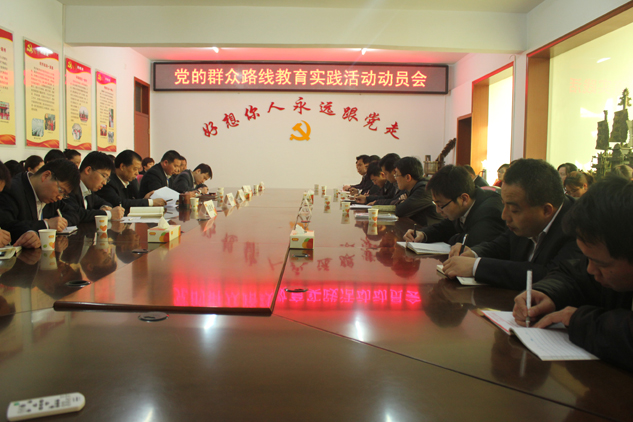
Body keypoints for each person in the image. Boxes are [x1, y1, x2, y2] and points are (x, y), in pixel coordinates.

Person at [512, 177, 633, 372]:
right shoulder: (601, 252)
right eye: (588, 259)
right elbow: (573, 275)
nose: (590, 269)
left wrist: (579, 320)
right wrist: (548, 293)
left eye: (601, 264)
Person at [441, 159, 582, 289]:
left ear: (546, 210)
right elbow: (501, 246)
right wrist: (473, 253)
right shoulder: (521, 220)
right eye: (504, 205)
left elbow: (551, 276)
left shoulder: (578, 227)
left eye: (514, 210)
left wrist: (476, 267)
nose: (504, 216)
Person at [403, 165, 505, 247]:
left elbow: (471, 243)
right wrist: (423, 234)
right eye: (435, 204)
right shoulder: (462, 206)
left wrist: (453, 237)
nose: (438, 210)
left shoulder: (490, 211)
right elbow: (445, 227)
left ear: (464, 199)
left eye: (441, 205)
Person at [0, 158, 79, 247]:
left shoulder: (51, 197)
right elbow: (6, 227)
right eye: (61, 191)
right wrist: (46, 225)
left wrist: (60, 223)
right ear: (46, 176)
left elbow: (74, 213)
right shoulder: (12, 189)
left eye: (64, 195)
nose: (60, 197)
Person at [95, 150, 167, 209]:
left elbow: (133, 201)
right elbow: (119, 203)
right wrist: (150, 202)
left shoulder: (132, 181)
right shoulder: (108, 182)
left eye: (138, 170)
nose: (137, 173)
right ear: (122, 167)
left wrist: (144, 199)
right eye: (135, 169)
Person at [65, 151, 124, 222]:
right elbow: (76, 213)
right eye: (104, 176)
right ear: (88, 170)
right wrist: (108, 214)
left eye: (107, 179)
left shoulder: (89, 190)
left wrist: (105, 207)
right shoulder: (69, 187)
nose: (105, 183)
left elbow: (103, 202)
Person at [393, 156, 442, 226]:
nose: (396, 179)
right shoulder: (411, 188)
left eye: (397, 175)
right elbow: (397, 203)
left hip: (433, 230)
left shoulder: (424, 189)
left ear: (408, 177)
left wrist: (404, 202)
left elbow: (400, 211)